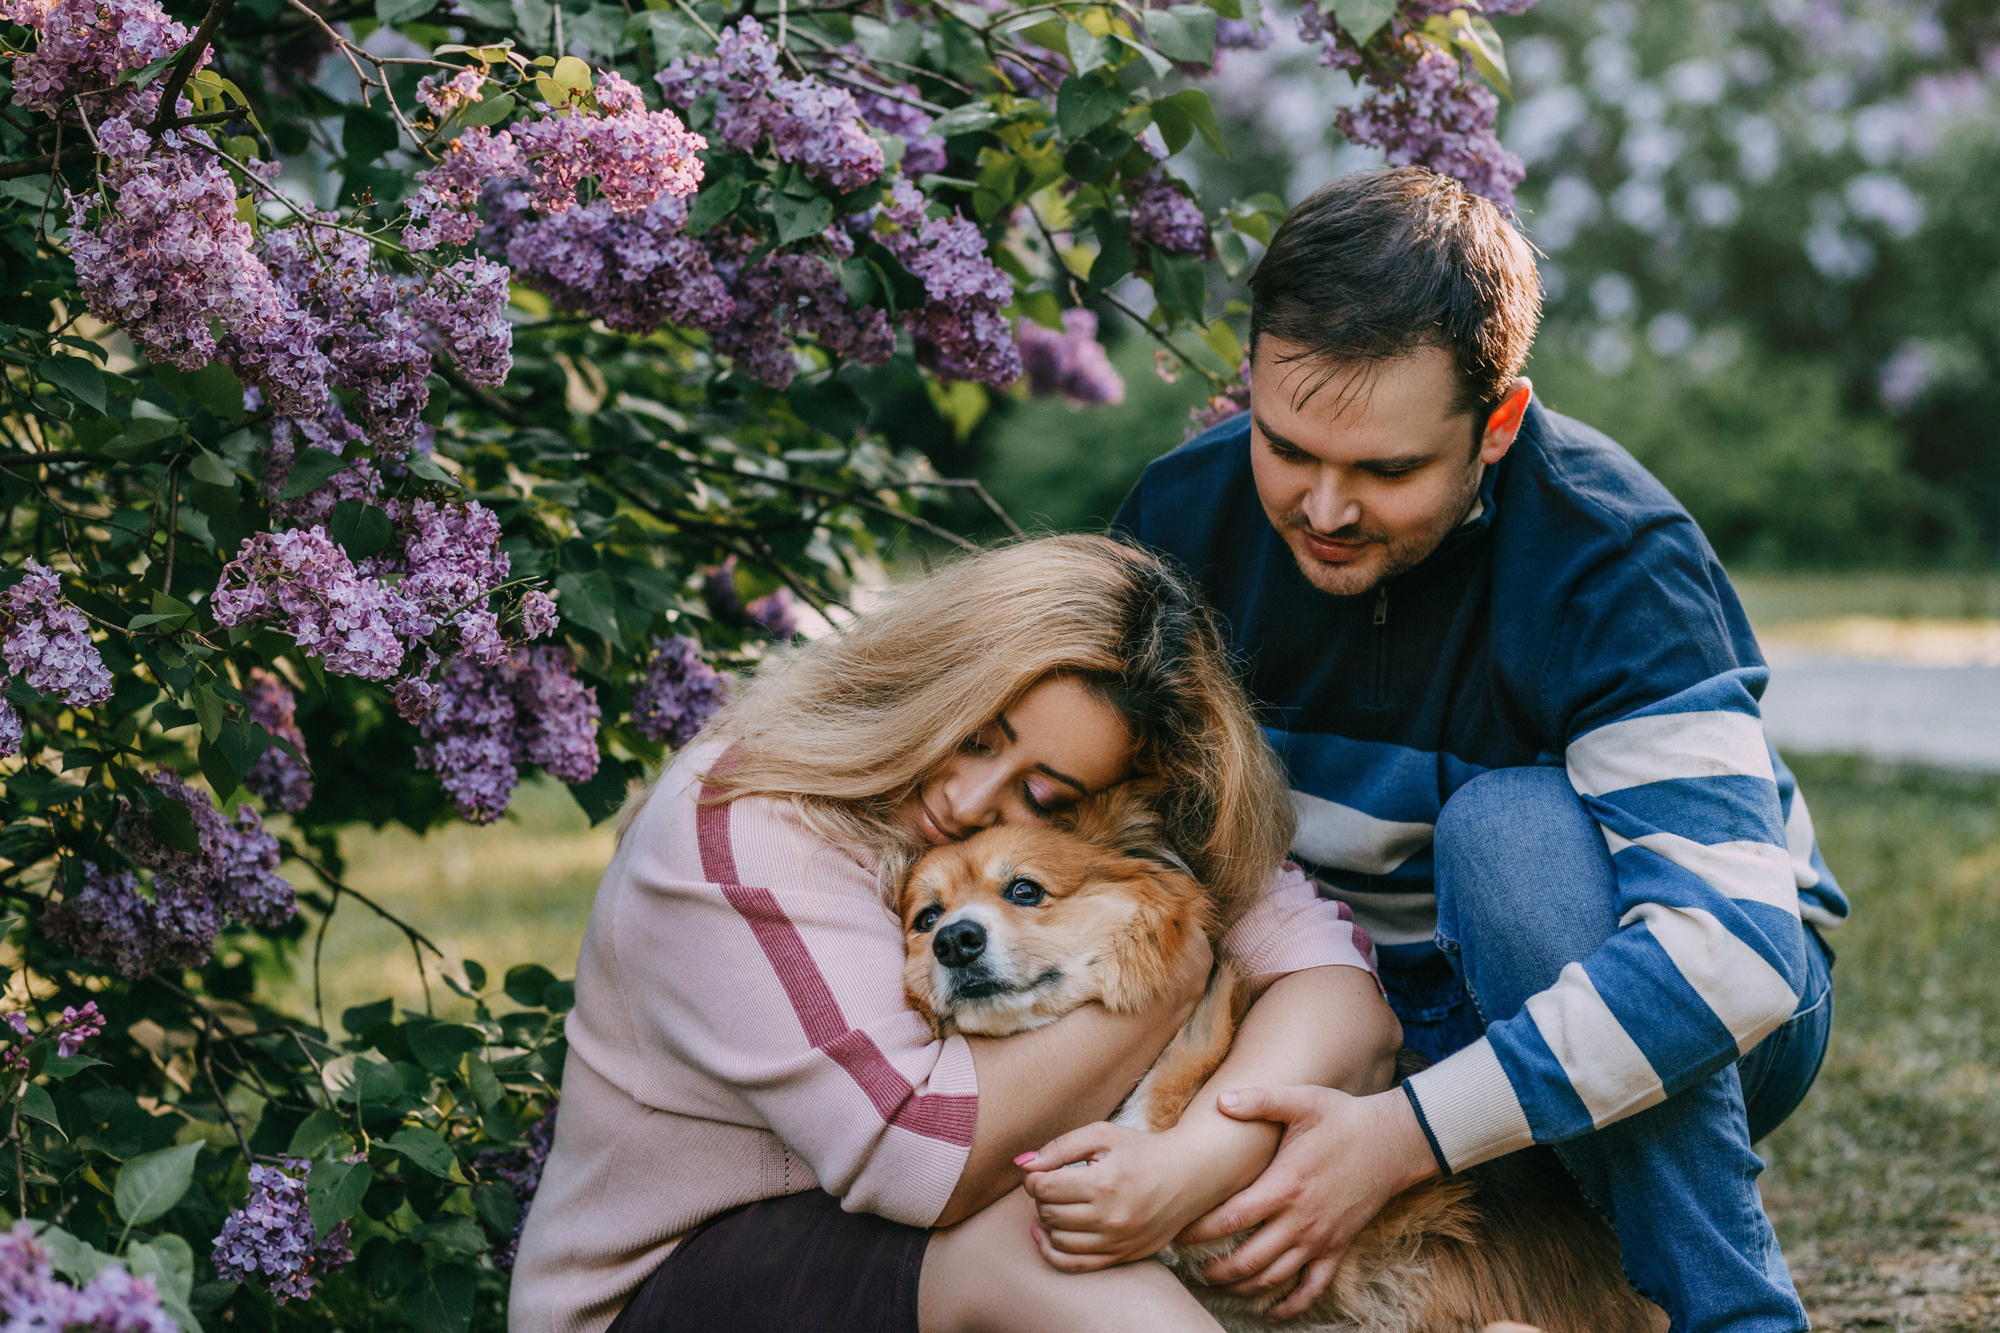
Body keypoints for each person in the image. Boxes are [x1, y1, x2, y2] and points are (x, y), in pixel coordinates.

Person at [1101, 167, 1843, 1332]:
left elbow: (1730, 958)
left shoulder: (1613, 558)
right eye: (1287, 447)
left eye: (1387, 471)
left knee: (1507, 835)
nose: (1325, 510)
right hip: (1343, 1003)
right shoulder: (1177, 520)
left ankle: (1732, 1313)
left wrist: (1396, 1136)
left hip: (1645, 988)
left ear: (1495, 425)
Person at [507, 535, 1397, 1333]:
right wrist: (1168, 971)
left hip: (893, 1259)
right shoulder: (751, 817)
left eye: (1043, 796)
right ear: (936, 670)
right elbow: (924, 1157)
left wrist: (1195, 1163)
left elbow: (1345, 1001)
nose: (970, 804)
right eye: (974, 734)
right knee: (1032, 1221)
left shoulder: (1086, 836)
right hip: (668, 1289)